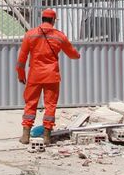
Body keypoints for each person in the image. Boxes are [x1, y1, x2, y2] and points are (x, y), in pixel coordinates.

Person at [16, 8, 80, 145]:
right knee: (50, 106)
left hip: (34, 76)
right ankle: (46, 137)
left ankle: (26, 135)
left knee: (30, 104)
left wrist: (21, 74)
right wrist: (78, 55)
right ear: (52, 20)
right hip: (52, 76)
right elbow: (73, 54)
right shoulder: (59, 36)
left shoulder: (30, 34)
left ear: (42, 19)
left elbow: (21, 59)